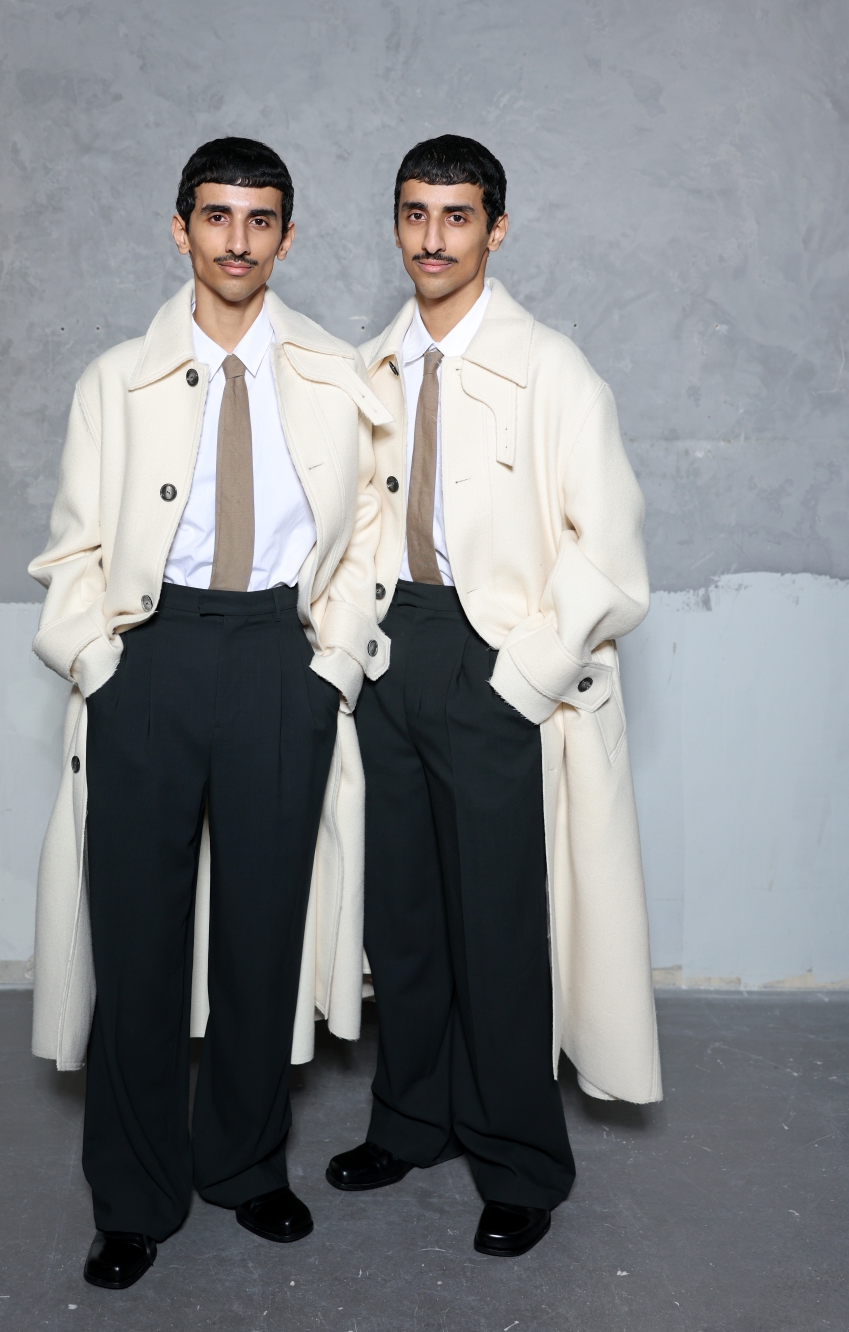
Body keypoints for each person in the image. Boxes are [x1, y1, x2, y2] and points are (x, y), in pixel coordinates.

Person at [28, 137, 391, 1289]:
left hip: (278, 658)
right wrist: (99, 663)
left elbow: (366, 531)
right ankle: (133, 1198)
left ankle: (244, 1164)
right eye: (217, 217)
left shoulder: (334, 373)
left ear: (287, 235)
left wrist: (332, 664)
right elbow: (73, 547)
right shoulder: (113, 380)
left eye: (260, 219)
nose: (238, 240)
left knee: (261, 933)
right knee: (136, 941)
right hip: (151, 655)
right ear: (179, 228)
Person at [327, 135, 662, 1257]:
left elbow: (609, 551)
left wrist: (521, 679)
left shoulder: (553, 369)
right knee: (404, 918)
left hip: (494, 664)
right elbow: (354, 525)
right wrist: (352, 653)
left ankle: (518, 1159)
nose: (433, 238)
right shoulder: (371, 365)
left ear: (496, 229)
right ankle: (412, 1121)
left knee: (500, 927)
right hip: (395, 656)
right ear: (396, 224)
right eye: (415, 214)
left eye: (457, 216)